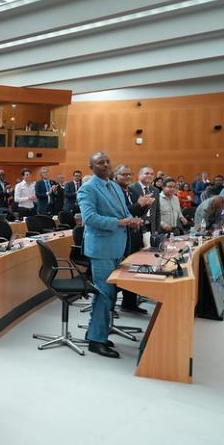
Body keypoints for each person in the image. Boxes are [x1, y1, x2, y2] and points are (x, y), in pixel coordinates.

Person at [77, 151, 142, 358]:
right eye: (99, 163)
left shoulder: (115, 186)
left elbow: (123, 213)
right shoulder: (87, 188)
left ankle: (93, 332)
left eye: (107, 162)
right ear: (91, 167)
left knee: (107, 294)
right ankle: (97, 341)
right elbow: (90, 218)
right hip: (101, 248)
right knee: (105, 295)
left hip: (118, 245)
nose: (105, 165)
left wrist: (132, 219)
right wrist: (119, 223)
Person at [113, 164, 153, 314]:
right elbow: (120, 214)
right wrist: (139, 205)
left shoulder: (132, 191)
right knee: (120, 271)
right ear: (116, 176)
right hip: (121, 237)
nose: (128, 177)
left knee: (132, 270)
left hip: (135, 235)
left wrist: (145, 205)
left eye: (129, 174)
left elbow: (137, 211)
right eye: (124, 175)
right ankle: (110, 307)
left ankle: (129, 303)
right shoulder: (114, 191)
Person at [129, 166, 161, 235]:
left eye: (152, 174)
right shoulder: (131, 188)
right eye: (147, 173)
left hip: (151, 227)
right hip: (137, 227)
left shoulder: (155, 190)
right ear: (139, 175)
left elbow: (157, 211)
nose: (150, 175)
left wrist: (157, 229)